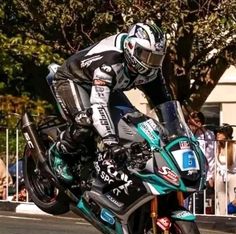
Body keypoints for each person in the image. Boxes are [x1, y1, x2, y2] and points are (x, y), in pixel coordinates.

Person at [50, 21, 171, 183]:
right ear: (131, 47)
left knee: (135, 121)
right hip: (74, 80)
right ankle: (58, 153)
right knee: (85, 121)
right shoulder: (110, 62)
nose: (151, 63)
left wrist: (173, 132)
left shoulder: (151, 72)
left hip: (109, 86)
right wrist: (111, 142)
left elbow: (163, 101)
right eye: (146, 56)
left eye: (156, 58)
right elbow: (99, 105)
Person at [187, 111, 215, 213]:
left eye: (198, 121)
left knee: (200, 202)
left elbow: (211, 156)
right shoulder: (187, 135)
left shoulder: (209, 135)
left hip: (205, 174)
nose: (196, 124)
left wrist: (211, 175)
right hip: (190, 172)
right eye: (193, 121)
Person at [214, 124, 236, 215]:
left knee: (233, 204)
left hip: (233, 176)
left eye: (221, 132)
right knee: (222, 204)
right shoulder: (217, 147)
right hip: (221, 176)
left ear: (227, 134)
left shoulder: (234, 147)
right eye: (217, 132)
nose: (218, 134)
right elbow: (216, 164)